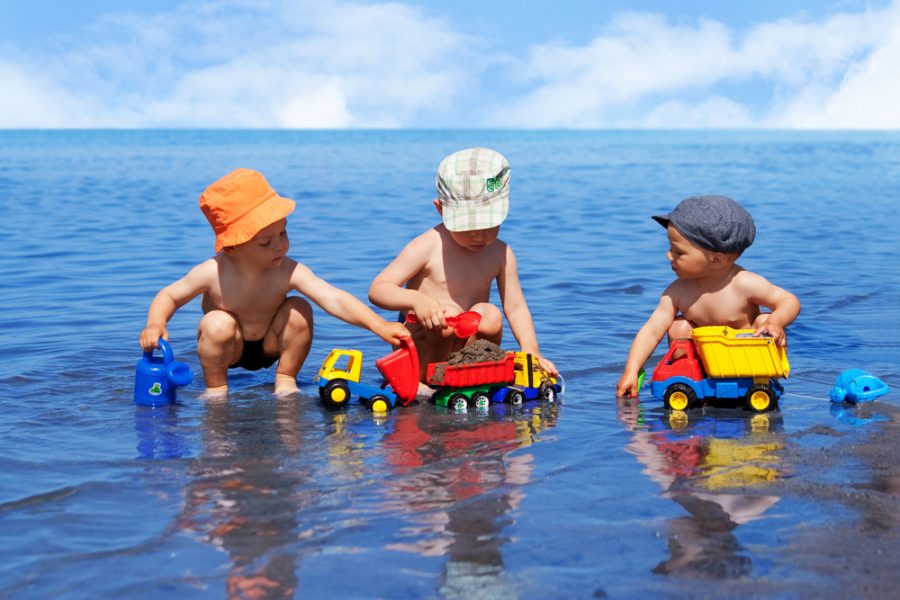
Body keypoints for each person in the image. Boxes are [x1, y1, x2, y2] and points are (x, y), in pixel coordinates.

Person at [140, 168, 410, 397]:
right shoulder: (213, 271)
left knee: (300, 308)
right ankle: (216, 389)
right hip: (230, 346)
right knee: (216, 323)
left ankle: (286, 380)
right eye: (266, 242)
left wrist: (379, 325)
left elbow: (333, 298)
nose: (280, 245)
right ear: (232, 247)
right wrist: (156, 323)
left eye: (283, 232)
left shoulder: (287, 270)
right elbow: (170, 295)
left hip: (271, 342)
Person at [368, 147, 556, 380]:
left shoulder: (501, 253)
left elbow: (515, 307)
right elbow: (378, 289)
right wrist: (417, 301)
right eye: (467, 226)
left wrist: (531, 350)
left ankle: (471, 373)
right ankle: (422, 379)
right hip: (420, 350)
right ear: (441, 209)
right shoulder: (429, 245)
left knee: (489, 314)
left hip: (465, 352)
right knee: (448, 315)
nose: (479, 235)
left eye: (488, 225)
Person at [616, 194, 800, 398]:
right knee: (679, 326)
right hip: (704, 365)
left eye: (679, 252)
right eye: (670, 248)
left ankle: (766, 376)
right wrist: (631, 371)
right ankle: (692, 379)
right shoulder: (678, 290)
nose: (668, 255)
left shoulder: (743, 283)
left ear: (717, 260)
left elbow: (788, 300)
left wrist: (776, 322)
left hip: (748, 361)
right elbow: (652, 330)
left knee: (764, 320)